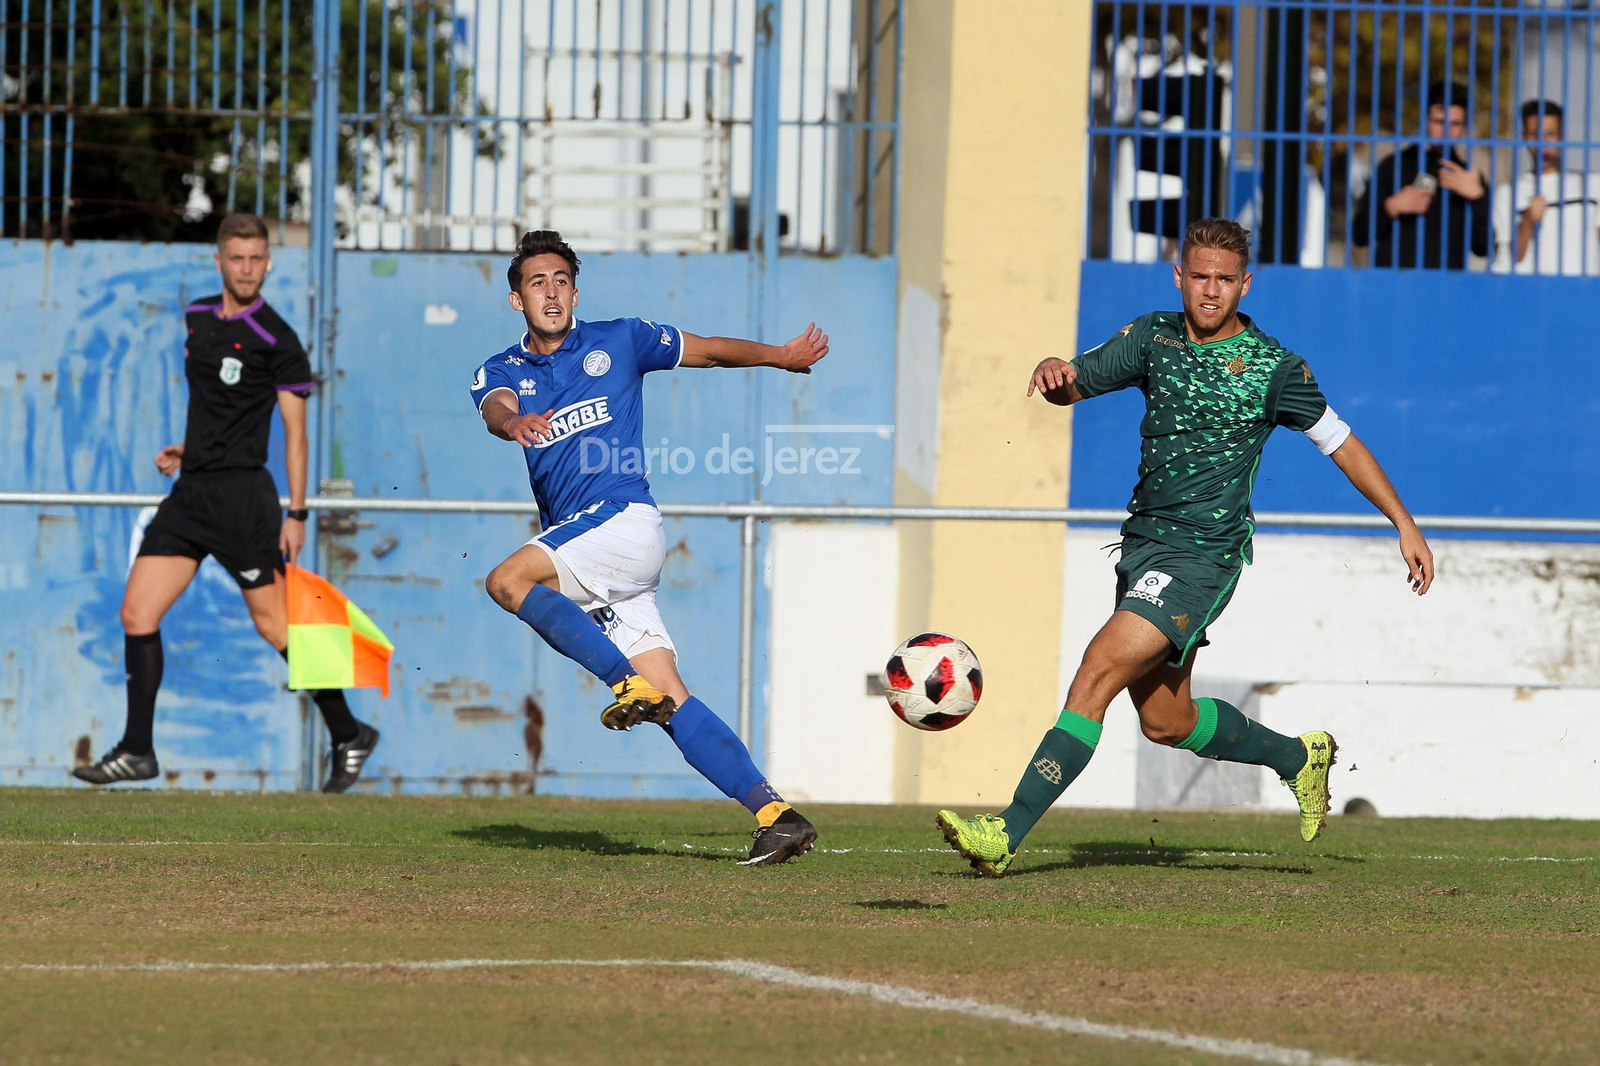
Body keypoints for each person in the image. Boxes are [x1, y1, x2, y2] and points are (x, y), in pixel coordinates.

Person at [936, 217, 1435, 877]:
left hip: (1203, 557)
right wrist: (1055, 373)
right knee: (1166, 722)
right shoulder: (1153, 337)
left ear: (1244, 284)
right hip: (1143, 548)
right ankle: (1298, 758)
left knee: (1096, 671)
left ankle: (1004, 833)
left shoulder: (1273, 368)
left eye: (1224, 280)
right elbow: (1073, 383)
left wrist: (1402, 521)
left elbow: (1340, 441)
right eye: (1199, 276)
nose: (1210, 291)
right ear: (1179, 276)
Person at [471, 230, 827, 867]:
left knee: (506, 581)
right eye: (536, 283)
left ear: (575, 292)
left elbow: (709, 351)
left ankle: (623, 682)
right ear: (515, 299)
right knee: (671, 695)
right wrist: (511, 422)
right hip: (608, 556)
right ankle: (777, 814)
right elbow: (495, 407)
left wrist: (780, 355)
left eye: (560, 281)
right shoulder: (502, 370)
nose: (550, 292)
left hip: (620, 520)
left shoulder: (622, 338)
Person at [74, 213, 380, 793]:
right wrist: (189, 449)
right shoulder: (196, 319)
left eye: (256, 258)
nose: (246, 268)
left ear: (268, 263)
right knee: (137, 613)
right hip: (191, 493)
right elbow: (220, 408)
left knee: (274, 625)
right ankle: (138, 750)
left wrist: (296, 513)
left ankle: (348, 732)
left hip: (243, 500)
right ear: (219, 261)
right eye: (236, 258)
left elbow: (294, 435)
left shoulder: (278, 340)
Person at [1351, 81, 1491, 269]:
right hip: (1395, 288)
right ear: (1425, 120)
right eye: (1439, 122)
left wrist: (1477, 198)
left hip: (1446, 290)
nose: (1447, 132)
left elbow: (1484, 248)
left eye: (1455, 124)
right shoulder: (1394, 166)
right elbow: (1360, 235)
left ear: (1464, 127)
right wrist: (1392, 207)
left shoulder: (1467, 176)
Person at [1492, 100, 1600, 276]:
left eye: (1550, 134)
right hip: (1534, 296)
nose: (1543, 142)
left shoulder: (1592, 184)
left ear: (1562, 136)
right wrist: (1526, 222)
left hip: (1584, 296)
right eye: (1535, 134)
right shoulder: (1508, 193)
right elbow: (1509, 259)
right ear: (1524, 137)